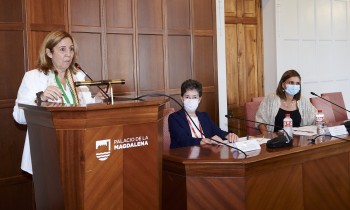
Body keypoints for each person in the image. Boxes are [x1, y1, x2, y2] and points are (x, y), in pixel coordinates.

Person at [13, 30, 106, 174]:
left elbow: (86, 109)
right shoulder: (33, 77)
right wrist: (41, 98)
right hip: (47, 149)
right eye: (62, 49)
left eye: (71, 49)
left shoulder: (78, 76)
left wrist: (98, 99)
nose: (69, 54)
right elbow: (19, 117)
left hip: (79, 145)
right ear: (49, 53)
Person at [168, 79, 238, 148]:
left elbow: (218, 131)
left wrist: (229, 135)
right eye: (187, 97)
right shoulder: (174, 118)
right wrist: (205, 141)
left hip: (206, 153)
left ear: (199, 99)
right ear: (182, 99)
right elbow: (183, 140)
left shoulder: (204, 116)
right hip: (184, 156)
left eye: (194, 97)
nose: (191, 100)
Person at [255, 69, 317, 135]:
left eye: (297, 83)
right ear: (283, 85)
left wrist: (321, 120)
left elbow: (315, 116)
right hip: (275, 140)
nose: (294, 86)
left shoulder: (302, 101)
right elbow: (260, 120)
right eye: (291, 83)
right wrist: (266, 135)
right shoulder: (271, 99)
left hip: (298, 140)